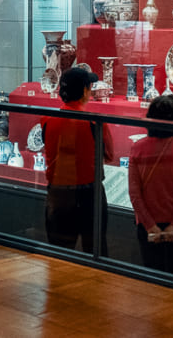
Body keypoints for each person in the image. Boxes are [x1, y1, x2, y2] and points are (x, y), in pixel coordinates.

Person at [42, 66, 114, 254]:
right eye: (89, 86)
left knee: (59, 254)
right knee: (96, 251)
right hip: (89, 193)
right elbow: (109, 155)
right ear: (84, 91)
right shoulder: (94, 122)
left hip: (58, 193)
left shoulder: (47, 120)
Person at [128, 94, 173, 275]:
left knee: (152, 278)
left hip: (148, 225)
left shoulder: (137, 148)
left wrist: (149, 225)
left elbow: (134, 193)